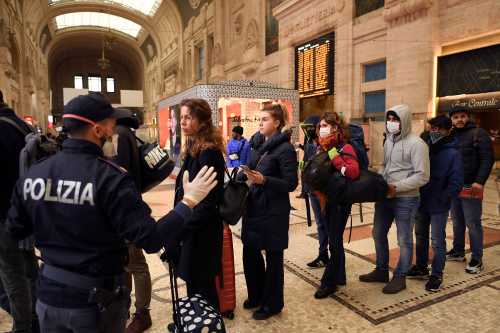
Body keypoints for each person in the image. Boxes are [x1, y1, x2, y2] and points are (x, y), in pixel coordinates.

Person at [5, 92, 219, 333]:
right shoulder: (110, 178)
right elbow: (150, 239)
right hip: (94, 304)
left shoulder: (35, 173)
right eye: (111, 124)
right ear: (98, 130)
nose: (114, 130)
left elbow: (16, 229)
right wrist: (188, 202)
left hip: (48, 297)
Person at [359, 104, 430, 294]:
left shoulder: (417, 144)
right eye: (389, 119)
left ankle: (400, 277)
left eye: (395, 120)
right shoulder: (389, 140)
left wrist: (395, 187)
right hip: (385, 197)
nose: (391, 123)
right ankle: (381, 270)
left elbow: (422, 176)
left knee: (404, 239)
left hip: (406, 199)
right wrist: (379, 182)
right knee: (378, 233)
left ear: (404, 121)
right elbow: (385, 165)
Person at [239, 104, 298, 320]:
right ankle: (256, 295)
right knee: (250, 253)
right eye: (259, 119)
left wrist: (264, 180)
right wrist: (243, 175)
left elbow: (291, 183)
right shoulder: (257, 145)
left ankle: (272, 304)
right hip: (254, 208)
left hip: (274, 212)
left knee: (273, 259)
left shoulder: (285, 149)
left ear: (277, 123)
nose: (260, 123)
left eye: (265, 119)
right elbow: (252, 169)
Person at [173, 98, 225, 309]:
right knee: (194, 281)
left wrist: (181, 223)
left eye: (188, 117)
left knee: (202, 283)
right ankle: (195, 321)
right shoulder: (195, 147)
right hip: (193, 227)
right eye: (182, 117)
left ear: (202, 121)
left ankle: (208, 323)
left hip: (202, 231)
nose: (183, 122)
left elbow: (209, 201)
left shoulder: (209, 153)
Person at [406, 115, 463, 291]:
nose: (434, 131)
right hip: (422, 200)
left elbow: (457, 181)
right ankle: (421, 267)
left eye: (438, 128)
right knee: (420, 236)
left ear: (447, 130)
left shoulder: (453, 153)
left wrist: (444, 196)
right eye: (432, 128)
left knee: (437, 240)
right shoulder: (425, 147)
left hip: (439, 203)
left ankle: (437, 273)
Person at [109, 109, 153, 333]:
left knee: (135, 263)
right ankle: (126, 307)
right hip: (128, 207)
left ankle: (142, 313)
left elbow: (118, 170)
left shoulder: (118, 134)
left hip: (125, 211)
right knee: (126, 262)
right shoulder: (127, 133)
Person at [0, 89, 40, 333]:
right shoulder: (21, 126)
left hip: (5, 214)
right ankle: (36, 318)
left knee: (12, 275)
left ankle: (24, 327)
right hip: (26, 211)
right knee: (29, 269)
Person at [313, 112, 360, 299]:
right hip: (326, 200)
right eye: (320, 125)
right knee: (335, 242)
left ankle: (329, 282)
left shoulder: (344, 147)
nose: (321, 128)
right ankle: (339, 277)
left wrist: (335, 158)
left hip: (340, 202)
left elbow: (353, 172)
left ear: (335, 128)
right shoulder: (322, 146)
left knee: (335, 242)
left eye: (325, 125)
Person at [446, 108, 494, 273]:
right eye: (455, 117)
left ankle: (477, 258)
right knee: (457, 222)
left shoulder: (478, 133)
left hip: (471, 187)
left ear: (468, 117)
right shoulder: (450, 135)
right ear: (451, 119)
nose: (459, 119)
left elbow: (487, 159)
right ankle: (458, 251)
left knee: (473, 223)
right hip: (454, 187)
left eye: (462, 116)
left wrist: (480, 182)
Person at [301, 116, 330, 269]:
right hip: (312, 190)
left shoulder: (326, 143)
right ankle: (323, 254)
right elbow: (306, 164)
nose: (308, 131)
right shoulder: (308, 142)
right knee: (320, 224)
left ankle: (332, 254)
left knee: (327, 223)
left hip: (324, 192)